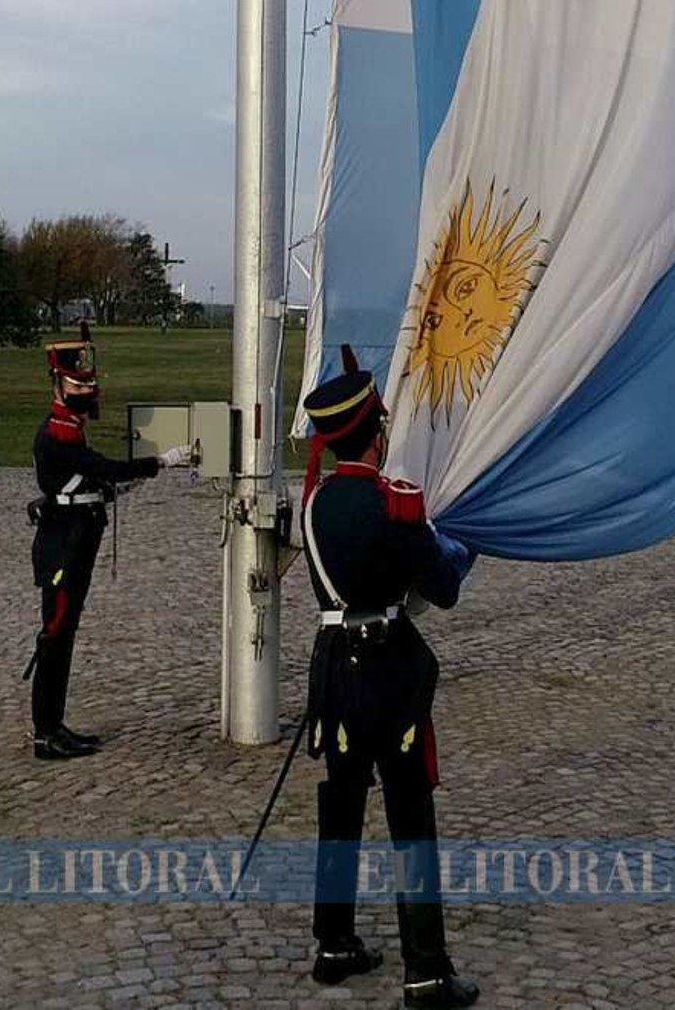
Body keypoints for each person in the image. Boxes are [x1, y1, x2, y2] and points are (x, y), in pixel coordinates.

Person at [301, 346, 479, 1009]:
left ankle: (333, 942)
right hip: (388, 673)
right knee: (409, 816)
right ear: (376, 430)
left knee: (341, 809)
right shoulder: (392, 505)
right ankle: (427, 971)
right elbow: (441, 587)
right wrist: (461, 551)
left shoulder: (315, 502)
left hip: (334, 673)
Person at [29, 327, 194, 760]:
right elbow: (103, 467)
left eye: (89, 384)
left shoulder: (68, 428)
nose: (87, 390)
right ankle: (45, 733)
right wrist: (160, 462)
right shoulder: (59, 433)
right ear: (58, 385)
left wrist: (115, 490)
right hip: (64, 546)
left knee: (64, 635)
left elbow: (88, 482)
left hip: (76, 538)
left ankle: (54, 725)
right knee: (56, 635)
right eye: (78, 384)